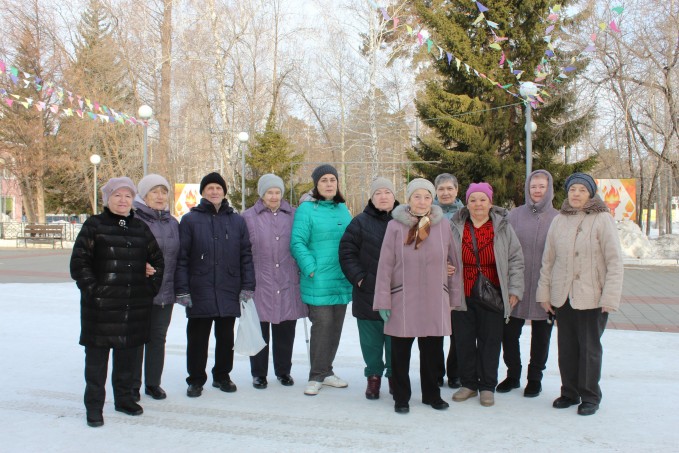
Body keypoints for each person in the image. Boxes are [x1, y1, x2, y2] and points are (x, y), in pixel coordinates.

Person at [70, 177, 164, 428]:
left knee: (127, 359)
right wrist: (95, 292)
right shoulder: (94, 225)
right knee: (96, 364)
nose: (123, 200)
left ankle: (124, 400)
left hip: (133, 307)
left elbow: (157, 261)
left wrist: (149, 290)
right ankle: (94, 407)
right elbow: (79, 264)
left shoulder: (140, 228)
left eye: (127, 196)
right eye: (117, 195)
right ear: (107, 199)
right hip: (101, 309)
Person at [536, 172, 623, 416]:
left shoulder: (602, 219)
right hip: (563, 296)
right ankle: (569, 392)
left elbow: (614, 261)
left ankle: (590, 396)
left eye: (582, 190)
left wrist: (610, 297)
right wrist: (544, 294)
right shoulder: (559, 220)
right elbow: (548, 260)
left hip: (592, 297)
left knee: (589, 349)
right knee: (567, 348)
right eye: (572, 190)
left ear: (591, 193)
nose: (576, 194)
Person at [373, 178, 462, 414]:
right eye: (417, 196)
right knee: (400, 353)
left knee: (432, 351)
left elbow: (454, 262)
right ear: (409, 199)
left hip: (434, 298)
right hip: (403, 298)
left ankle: (432, 394)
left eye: (426, 197)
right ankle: (401, 397)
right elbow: (385, 266)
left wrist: (453, 296)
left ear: (432, 199)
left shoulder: (443, 226)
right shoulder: (395, 226)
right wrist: (383, 300)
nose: (422, 202)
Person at [175, 172, 255, 398]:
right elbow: (182, 257)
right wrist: (182, 290)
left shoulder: (237, 221)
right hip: (199, 288)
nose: (214, 191)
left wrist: (247, 285)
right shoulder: (190, 220)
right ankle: (195, 379)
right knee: (197, 339)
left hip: (229, 288)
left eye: (218, 188)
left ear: (224, 192)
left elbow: (246, 255)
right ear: (202, 192)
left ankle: (222, 376)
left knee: (226, 338)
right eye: (210, 188)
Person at [450, 182, 524, 407]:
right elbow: (442, 253)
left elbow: (516, 259)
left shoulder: (503, 227)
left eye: (483, 199)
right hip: (462, 293)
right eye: (473, 200)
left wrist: (514, 289)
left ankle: (487, 386)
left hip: (494, 294)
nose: (478, 204)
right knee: (463, 341)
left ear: (491, 203)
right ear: (467, 203)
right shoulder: (455, 226)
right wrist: (443, 266)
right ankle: (469, 384)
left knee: (490, 342)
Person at [290, 164, 352, 396]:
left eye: (332, 180)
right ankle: (316, 375)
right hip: (318, 279)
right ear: (316, 184)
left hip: (341, 278)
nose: (329, 184)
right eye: (324, 180)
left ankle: (327, 371)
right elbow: (297, 242)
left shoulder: (342, 208)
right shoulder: (307, 209)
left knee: (335, 327)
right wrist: (311, 269)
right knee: (323, 325)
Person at [242, 174, 307, 389]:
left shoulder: (294, 215)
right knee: (259, 331)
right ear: (262, 194)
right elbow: (242, 251)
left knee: (285, 331)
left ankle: (283, 371)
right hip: (260, 283)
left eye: (277, 192)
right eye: (269, 192)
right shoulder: (248, 217)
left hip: (287, 282)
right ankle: (259, 373)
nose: (274, 196)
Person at [497, 170, 558, 398]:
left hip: (544, 288)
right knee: (509, 333)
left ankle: (535, 379)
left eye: (542, 186)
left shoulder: (558, 218)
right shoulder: (514, 216)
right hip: (516, 285)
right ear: (527, 188)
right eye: (533, 186)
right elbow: (504, 248)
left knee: (541, 336)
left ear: (549, 189)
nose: (537, 190)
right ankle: (513, 375)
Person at [339, 177, 399, 400]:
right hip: (368, 293)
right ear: (371, 198)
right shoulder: (359, 222)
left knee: (395, 339)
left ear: (394, 196)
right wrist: (360, 279)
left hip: (398, 293)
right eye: (378, 193)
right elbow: (347, 252)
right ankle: (373, 377)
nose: (383, 197)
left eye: (387, 192)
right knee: (371, 341)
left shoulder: (405, 220)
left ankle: (394, 376)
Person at [131, 174, 180, 401]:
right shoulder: (133, 220)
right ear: (144, 195)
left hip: (165, 291)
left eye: (163, 192)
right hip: (139, 291)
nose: (160, 197)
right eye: (154, 192)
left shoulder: (173, 223)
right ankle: (132, 385)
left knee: (158, 338)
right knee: (136, 338)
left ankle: (153, 383)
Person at [434, 173, 464, 389]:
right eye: (441, 189)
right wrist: (440, 264)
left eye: (449, 188)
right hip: (433, 280)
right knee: (434, 329)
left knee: (458, 330)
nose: (445, 193)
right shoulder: (427, 214)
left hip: (460, 280)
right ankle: (435, 372)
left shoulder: (465, 214)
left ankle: (455, 372)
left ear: (456, 190)